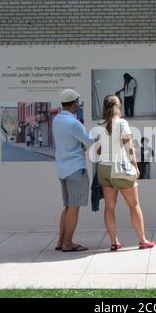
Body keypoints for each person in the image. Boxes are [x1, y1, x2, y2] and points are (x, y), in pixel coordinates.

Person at [95, 94, 155, 251]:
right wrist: (135, 166)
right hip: (120, 168)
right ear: (118, 106)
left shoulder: (100, 124)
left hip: (103, 169)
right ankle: (142, 240)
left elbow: (99, 150)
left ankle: (114, 242)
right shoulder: (122, 123)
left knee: (109, 207)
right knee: (134, 205)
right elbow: (130, 148)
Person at [52, 88, 96, 252]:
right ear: (75, 103)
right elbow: (90, 142)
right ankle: (68, 244)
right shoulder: (74, 123)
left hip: (62, 169)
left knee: (67, 207)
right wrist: (95, 139)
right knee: (74, 208)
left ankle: (60, 241)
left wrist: (79, 145)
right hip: (76, 169)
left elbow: (70, 141)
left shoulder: (57, 119)